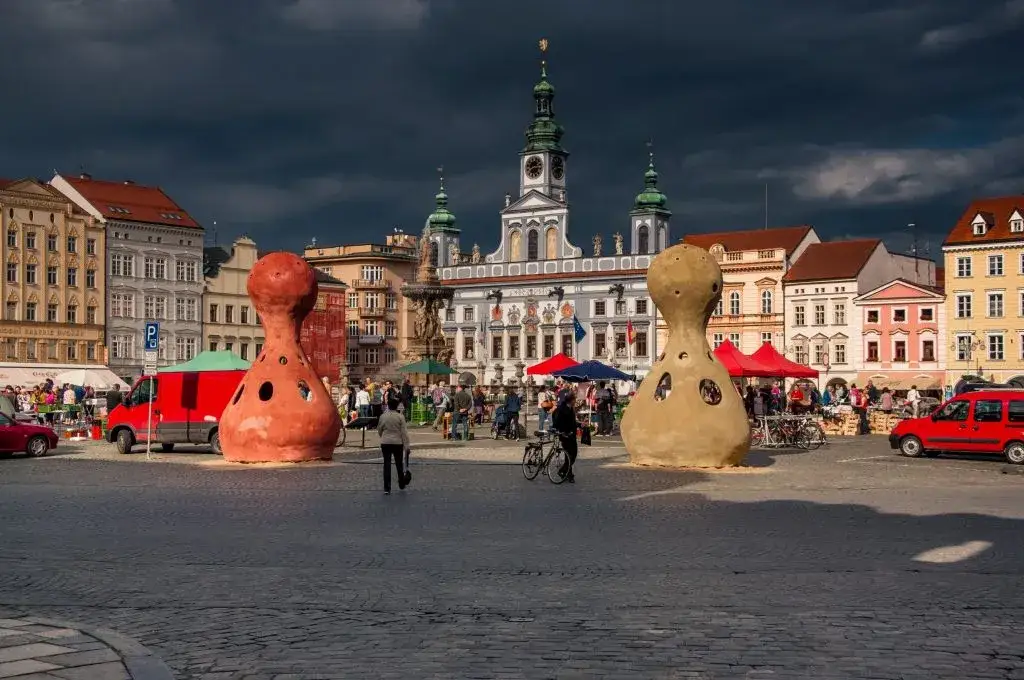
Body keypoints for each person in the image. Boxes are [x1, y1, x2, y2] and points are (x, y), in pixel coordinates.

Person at [376, 396, 411, 495]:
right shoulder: (400, 417)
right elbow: (404, 432)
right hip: (397, 442)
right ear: (397, 406)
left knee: (386, 465)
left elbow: (379, 429)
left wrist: (382, 436)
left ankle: (387, 488)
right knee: (399, 464)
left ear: (388, 405)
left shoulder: (383, 416)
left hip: (385, 442)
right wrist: (407, 446)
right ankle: (401, 483)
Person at [551, 391, 578, 483]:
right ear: (571, 400)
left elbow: (572, 422)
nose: (575, 401)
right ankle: (568, 474)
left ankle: (564, 471)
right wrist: (563, 432)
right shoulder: (562, 409)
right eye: (574, 399)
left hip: (571, 435)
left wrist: (579, 425)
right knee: (570, 455)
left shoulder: (570, 408)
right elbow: (560, 423)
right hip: (565, 435)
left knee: (572, 455)